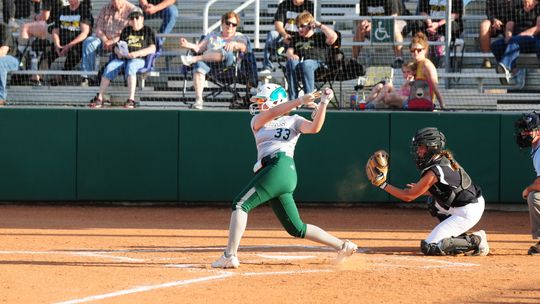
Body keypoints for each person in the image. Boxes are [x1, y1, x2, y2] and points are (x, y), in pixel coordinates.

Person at [211, 84, 358, 269]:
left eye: (263, 101)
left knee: (241, 204)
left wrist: (323, 103)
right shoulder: (258, 121)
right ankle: (343, 246)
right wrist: (299, 101)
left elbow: (314, 128)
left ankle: (229, 255)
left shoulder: (294, 120)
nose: (259, 105)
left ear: (276, 100)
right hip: (276, 171)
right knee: (296, 228)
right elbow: (273, 113)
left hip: (280, 167)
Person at [367, 127, 489, 256]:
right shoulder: (441, 159)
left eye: (422, 147)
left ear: (433, 147)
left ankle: (477, 241)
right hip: (462, 203)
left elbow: (408, 197)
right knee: (433, 202)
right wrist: (423, 189)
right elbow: (449, 189)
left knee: (430, 247)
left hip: (467, 211)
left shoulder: (436, 170)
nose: (419, 151)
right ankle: (456, 236)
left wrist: (382, 184)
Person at [88, 6, 156, 109]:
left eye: (137, 17)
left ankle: (131, 99)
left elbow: (152, 48)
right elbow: (117, 45)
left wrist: (137, 53)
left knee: (131, 66)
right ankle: (100, 98)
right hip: (123, 57)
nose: (134, 20)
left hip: (138, 58)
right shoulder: (126, 30)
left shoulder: (148, 30)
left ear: (142, 18)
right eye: (132, 18)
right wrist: (118, 52)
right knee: (110, 67)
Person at [179, 11, 248, 110]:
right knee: (198, 66)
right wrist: (188, 45)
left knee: (225, 51)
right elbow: (199, 48)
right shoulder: (212, 35)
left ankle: (193, 59)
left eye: (234, 24)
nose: (230, 26)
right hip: (209, 65)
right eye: (228, 23)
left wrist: (234, 44)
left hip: (227, 67)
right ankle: (199, 100)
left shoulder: (239, 36)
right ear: (222, 23)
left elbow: (244, 47)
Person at [285, 11, 338, 99]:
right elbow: (289, 52)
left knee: (306, 63)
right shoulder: (296, 39)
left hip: (320, 66)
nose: (299, 29)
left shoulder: (320, 36)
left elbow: (333, 37)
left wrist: (319, 25)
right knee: (291, 62)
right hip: (301, 68)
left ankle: (309, 97)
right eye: (298, 27)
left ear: (310, 25)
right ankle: (293, 99)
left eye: (302, 26)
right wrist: (292, 56)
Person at [81, 0, 135, 86]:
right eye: (113, 1)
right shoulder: (105, 9)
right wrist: (105, 40)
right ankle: (87, 77)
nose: (115, 4)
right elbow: (98, 28)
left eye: (117, 1)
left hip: (121, 41)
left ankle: (127, 79)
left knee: (126, 45)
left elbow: (130, 33)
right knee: (89, 42)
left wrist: (113, 41)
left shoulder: (132, 10)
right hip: (104, 40)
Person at [17, 0, 68, 85]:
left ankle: (19, 57)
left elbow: (45, 17)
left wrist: (36, 17)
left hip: (55, 27)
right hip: (67, 27)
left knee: (25, 27)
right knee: (37, 43)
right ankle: (30, 64)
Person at [259, 0, 314, 76]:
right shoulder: (284, 4)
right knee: (272, 34)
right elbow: (278, 24)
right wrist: (284, 34)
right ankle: (267, 66)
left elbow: (311, 26)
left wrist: (295, 39)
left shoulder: (309, 5)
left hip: (301, 39)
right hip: (285, 37)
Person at [491, 0, 540, 85]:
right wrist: (508, 36)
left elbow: (537, 28)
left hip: (532, 39)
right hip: (515, 41)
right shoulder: (516, 7)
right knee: (496, 45)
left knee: (515, 40)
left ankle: (506, 67)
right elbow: (509, 26)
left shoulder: (538, 7)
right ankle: (514, 71)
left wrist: (519, 37)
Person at [353, 0, 407, 68]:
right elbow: (363, 17)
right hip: (375, 25)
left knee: (394, 27)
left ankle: (399, 59)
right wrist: (364, 23)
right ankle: (353, 60)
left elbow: (393, 17)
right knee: (360, 28)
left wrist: (373, 24)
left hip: (397, 20)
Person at [514, 112, 540, 255]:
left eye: (529, 130)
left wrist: (528, 189)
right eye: (523, 130)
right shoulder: (536, 146)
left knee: (534, 196)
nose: (524, 134)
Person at [50, 0, 92, 85]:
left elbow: (84, 33)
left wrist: (69, 46)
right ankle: (37, 78)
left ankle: (62, 76)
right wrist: (57, 44)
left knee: (75, 53)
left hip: (76, 43)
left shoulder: (84, 10)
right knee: (48, 52)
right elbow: (55, 30)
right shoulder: (62, 10)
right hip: (61, 42)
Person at [417, 0, 463, 67]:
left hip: (446, 23)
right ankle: (419, 58)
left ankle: (447, 57)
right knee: (417, 24)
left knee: (451, 26)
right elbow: (423, 11)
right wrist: (430, 24)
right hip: (430, 23)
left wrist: (438, 24)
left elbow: (456, 14)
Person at [405, 32, 444, 110]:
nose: (415, 53)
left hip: (425, 104)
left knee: (390, 98)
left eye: (419, 50)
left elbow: (435, 88)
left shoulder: (427, 65)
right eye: (413, 50)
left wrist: (442, 106)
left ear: (425, 50)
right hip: (415, 101)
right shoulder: (416, 64)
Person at [479, 0, 514, 69]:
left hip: (510, 21)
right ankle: (486, 59)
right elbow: (489, 11)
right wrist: (494, 20)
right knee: (484, 25)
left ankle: (509, 61)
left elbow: (518, 11)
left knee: (510, 24)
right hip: (494, 22)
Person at [0, 22, 20, 104]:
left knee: (0, 62)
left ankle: (1, 97)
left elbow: (2, 52)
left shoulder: (3, 29)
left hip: (12, 59)